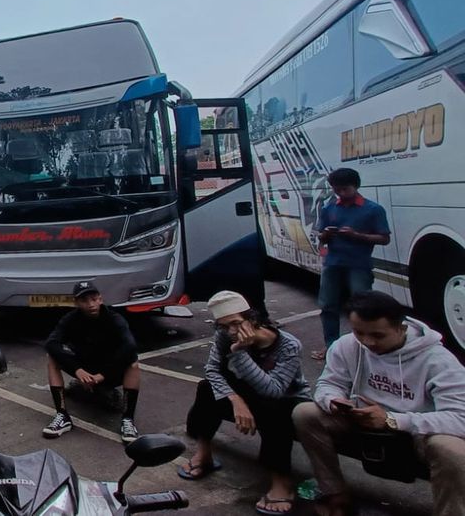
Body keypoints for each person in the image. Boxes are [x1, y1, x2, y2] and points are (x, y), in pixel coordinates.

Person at [293, 291, 465, 516]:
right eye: (359, 332)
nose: (367, 342)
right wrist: (333, 400)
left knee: (451, 449)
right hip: (361, 420)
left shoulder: (438, 360)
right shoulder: (347, 345)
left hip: (417, 432)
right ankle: (334, 493)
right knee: (305, 412)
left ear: (401, 328)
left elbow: (460, 418)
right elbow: (328, 383)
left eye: (378, 335)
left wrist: (392, 420)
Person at [179, 291, 309, 515]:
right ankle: (204, 452)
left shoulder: (288, 345)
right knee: (207, 389)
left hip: (285, 399)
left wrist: (239, 353)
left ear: (253, 320)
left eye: (236, 323)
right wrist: (235, 399)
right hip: (246, 393)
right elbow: (212, 370)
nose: (231, 331)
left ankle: (281, 480)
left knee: (275, 412)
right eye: (223, 326)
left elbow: (274, 390)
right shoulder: (225, 336)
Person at [42, 281, 142, 444]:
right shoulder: (70, 319)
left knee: (133, 362)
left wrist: (103, 375)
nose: (90, 304)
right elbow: (51, 343)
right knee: (51, 358)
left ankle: (128, 420)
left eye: (94, 299)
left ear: (100, 299)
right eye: (84, 301)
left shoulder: (114, 319)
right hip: (84, 371)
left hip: (108, 371)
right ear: (77, 303)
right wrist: (77, 371)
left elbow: (130, 346)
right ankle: (62, 415)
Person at [313, 168, 390, 360]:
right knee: (328, 306)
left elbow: (384, 238)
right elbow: (321, 237)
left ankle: (365, 347)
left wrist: (357, 235)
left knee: (363, 307)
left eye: (345, 189)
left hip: (359, 265)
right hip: (332, 263)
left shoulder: (373, 210)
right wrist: (326, 235)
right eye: (336, 189)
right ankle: (332, 347)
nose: (340, 193)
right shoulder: (329, 209)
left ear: (356, 186)